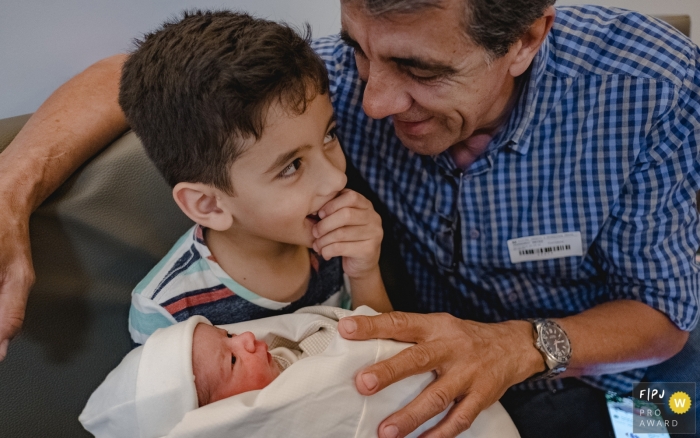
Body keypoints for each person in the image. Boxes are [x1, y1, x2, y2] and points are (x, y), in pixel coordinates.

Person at [1, 1, 699, 437]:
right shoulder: (330, 91)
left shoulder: (649, 90)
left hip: (620, 372)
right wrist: (9, 193)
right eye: (359, 50)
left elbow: (665, 318)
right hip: (443, 380)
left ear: (525, 39)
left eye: (418, 69)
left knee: (667, 421)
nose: (372, 101)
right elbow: (134, 78)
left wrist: (519, 345)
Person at [114, 11, 392, 344]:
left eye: (329, 135)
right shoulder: (168, 312)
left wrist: (365, 272)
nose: (335, 180)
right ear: (209, 205)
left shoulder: (337, 240)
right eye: (291, 166)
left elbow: (387, 359)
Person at [79, 306, 520, 438]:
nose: (247, 340)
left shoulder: (284, 354)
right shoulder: (285, 416)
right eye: (231, 360)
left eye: (228, 335)